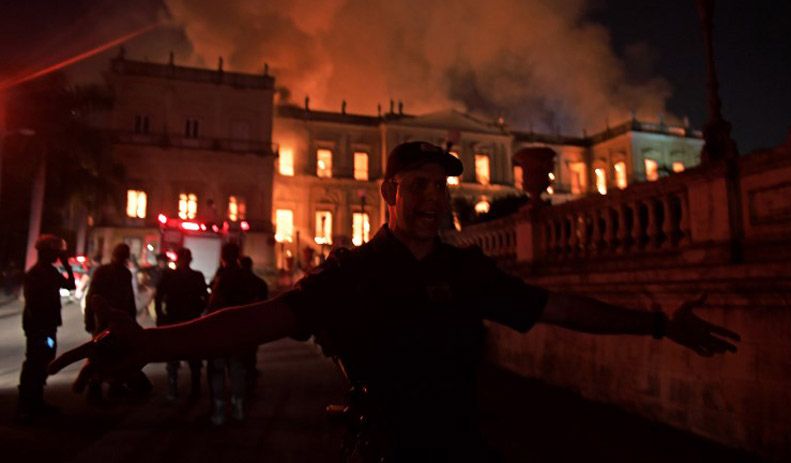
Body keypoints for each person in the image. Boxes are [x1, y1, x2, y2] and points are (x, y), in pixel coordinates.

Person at [51, 141, 741, 461]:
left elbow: (555, 307)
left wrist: (656, 324)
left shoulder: (466, 270)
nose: (433, 200)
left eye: (441, 188)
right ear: (389, 195)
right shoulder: (356, 275)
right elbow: (258, 320)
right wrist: (150, 341)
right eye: (417, 185)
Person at [14, 235, 75, 423]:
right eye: (55, 253)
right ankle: (26, 405)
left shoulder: (51, 271)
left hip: (48, 325)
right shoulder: (36, 273)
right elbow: (33, 303)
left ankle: (37, 401)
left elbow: (71, 285)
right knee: (34, 361)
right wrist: (39, 326)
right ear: (45, 252)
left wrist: (66, 264)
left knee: (44, 360)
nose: (57, 256)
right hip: (39, 326)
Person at [82, 243, 151, 403]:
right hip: (108, 320)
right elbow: (93, 296)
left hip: (111, 320)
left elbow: (127, 299)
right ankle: (99, 389)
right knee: (104, 353)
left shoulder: (114, 272)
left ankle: (109, 388)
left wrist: (89, 318)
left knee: (110, 354)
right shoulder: (114, 273)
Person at [206, 243, 257, 425]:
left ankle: (219, 412)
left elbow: (213, 304)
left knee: (218, 371)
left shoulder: (223, 276)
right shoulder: (245, 277)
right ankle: (238, 408)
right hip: (240, 330)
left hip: (221, 330)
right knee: (237, 370)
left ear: (223, 256)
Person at [155, 248, 208, 400]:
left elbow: (159, 298)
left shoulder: (169, 276)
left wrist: (161, 317)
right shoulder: (196, 276)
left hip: (175, 320)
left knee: (174, 356)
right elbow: (205, 297)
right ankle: (194, 389)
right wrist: (200, 311)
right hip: (191, 320)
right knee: (193, 358)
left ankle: (173, 390)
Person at [239, 255, 268, 393]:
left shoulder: (235, 283)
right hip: (252, 323)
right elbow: (264, 304)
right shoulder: (259, 283)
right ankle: (250, 377)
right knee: (250, 352)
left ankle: (244, 380)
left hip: (238, 323)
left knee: (240, 353)